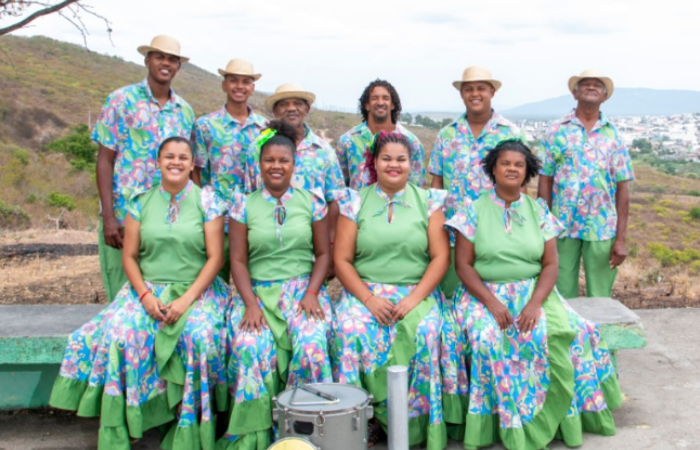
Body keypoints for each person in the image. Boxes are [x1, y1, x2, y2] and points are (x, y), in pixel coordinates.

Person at [50, 137, 230, 449]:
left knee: (198, 336)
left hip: (198, 289)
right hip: (148, 289)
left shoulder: (209, 202)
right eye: (169, 157)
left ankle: (186, 426)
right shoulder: (140, 202)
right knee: (121, 335)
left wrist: (187, 300)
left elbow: (215, 258)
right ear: (158, 162)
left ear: (192, 164)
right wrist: (145, 296)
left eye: (183, 157)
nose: (176, 162)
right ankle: (124, 427)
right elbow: (130, 257)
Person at [446, 140, 622, 450]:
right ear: (493, 168)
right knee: (487, 337)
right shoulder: (472, 210)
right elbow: (463, 265)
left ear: (527, 172)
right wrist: (491, 302)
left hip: (533, 290)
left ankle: (559, 415)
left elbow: (551, 263)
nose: (512, 168)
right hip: (483, 292)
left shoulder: (538, 210)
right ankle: (501, 422)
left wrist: (534, 303)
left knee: (574, 332)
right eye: (505, 163)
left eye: (519, 164)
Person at [333, 132, 451, 449]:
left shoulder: (429, 202)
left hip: (417, 291)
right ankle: (363, 422)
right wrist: (368, 299)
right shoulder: (354, 201)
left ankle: (413, 425)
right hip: (364, 292)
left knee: (425, 331)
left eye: (401, 159)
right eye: (386, 158)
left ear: (412, 164)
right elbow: (341, 259)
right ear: (374, 162)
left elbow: (440, 257)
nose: (394, 165)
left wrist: (414, 299)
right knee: (350, 329)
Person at [219, 121, 333, 450]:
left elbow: (323, 254)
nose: (276, 166)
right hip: (257, 293)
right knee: (250, 347)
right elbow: (238, 262)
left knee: (311, 345)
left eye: (283, 160)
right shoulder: (243, 205)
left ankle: (305, 434)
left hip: (302, 292)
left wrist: (312, 292)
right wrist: (251, 304)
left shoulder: (311, 202)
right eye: (269, 160)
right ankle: (255, 436)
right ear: (260, 164)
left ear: (294, 164)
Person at [93, 35, 195, 302]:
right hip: (125, 213)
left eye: (172, 59)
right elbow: (105, 159)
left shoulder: (184, 111)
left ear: (178, 67)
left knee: (159, 292)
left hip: (167, 217)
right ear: (147, 59)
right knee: (120, 291)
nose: (166, 63)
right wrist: (108, 216)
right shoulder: (120, 100)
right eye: (159, 57)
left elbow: (186, 167)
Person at [429, 66, 525, 301]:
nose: (475, 94)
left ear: (492, 91)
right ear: (462, 94)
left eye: (481, 88)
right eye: (468, 89)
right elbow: (436, 183)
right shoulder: (447, 135)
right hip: (453, 233)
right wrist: (435, 225)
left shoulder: (510, 134)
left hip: (495, 233)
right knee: (450, 296)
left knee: (493, 298)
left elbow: (521, 186)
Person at [538, 70, 634, 299]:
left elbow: (622, 188)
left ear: (604, 96)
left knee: (600, 296)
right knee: (560, 294)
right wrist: (543, 226)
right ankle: (567, 335)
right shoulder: (556, 132)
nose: (591, 87)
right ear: (575, 93)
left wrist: (620, 239)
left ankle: (600, 335)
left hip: (601, 227)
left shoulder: (614, 136)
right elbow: (545, 180)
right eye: (585, 84)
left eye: (597, 85)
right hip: (562, 227)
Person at [245, 84, 344, 272]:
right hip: (267, 250)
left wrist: (329, 247)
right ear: (274, 110)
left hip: (312, 247)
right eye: (283, 104)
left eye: (298, 103)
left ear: (307, 109)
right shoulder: (256, 149)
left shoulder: (324, 151)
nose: (291, 108)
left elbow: (334, 201)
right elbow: (249, 197)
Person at [192, 58, 268, 281]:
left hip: (255, 220)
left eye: (246, 81)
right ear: (224, 85)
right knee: (216, 281)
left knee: (255, 284)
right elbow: (196, 172)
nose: (239, 86)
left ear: (253, 88)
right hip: (218, 220)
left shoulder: (265, 129)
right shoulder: (205, 126)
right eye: (233, 80)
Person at [336, 79, 425, 190]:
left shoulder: (411, 142)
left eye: (385, 98)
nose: (380, 102)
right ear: (367, 105)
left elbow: (417, 188)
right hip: (359, 206)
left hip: (398, 206)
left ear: (392, 105)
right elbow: (339, 187)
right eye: (374, 98)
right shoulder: (347, 141)